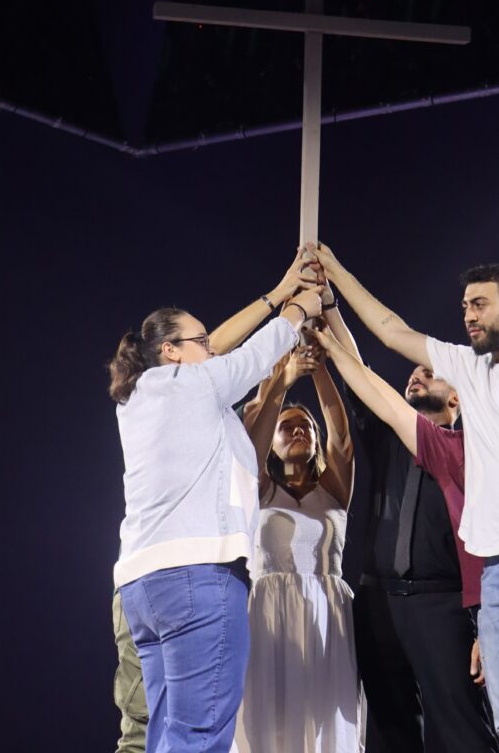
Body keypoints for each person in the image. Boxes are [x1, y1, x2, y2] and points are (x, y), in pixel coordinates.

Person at [308, 246, 499, 752]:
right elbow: (390, 330)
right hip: (495, 576)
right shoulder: (467, 368)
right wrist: (334, 276)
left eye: (480, 305)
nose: (469, 315)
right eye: (465, 306)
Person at [109, 252, 316, 753]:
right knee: (198, 739)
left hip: (140, 588)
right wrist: (299, 308)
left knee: (163, 736)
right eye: (200, 341)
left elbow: (218, 348)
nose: (214, 346)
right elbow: (255, 353)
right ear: (171, 351)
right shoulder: (197, 386)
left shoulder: (139, 394)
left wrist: (276, 291)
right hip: (196, 577)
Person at [335, 354, 497, 751]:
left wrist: (488, 622)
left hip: (443, 605)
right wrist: (329, 320)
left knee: (462, 728)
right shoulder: (385, 432)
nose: (417, 375)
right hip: (378, 604)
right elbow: (357, 371)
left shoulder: (476, 453)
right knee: (391, 730)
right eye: (415, 371)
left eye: (431, 372)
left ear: (456, 399)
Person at [235, 286, 365, 753]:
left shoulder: (333, 491)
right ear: (272, 442)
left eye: (304, 427)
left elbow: (341, 435)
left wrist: (320, 367)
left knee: (323, 719)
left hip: (328, 612)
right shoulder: (259, 487)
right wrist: (284, 378)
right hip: (268, 613)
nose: (297, 431)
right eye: (286, 427)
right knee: (271, 721)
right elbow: (256, 425)